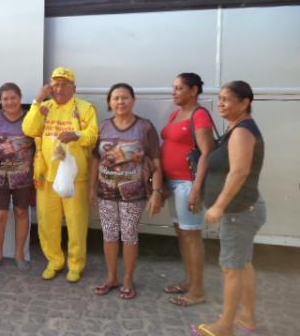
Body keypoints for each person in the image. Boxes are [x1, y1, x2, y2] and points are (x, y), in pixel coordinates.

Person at [192, 81, 266, 336]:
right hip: (244, 208)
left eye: (227, 99)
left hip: (238, 212)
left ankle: (226, 325)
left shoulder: (242, 132)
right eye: (220, 98)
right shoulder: (235, 128)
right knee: (243, 263)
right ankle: (247, 317)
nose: (221, 103)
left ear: (245, 102)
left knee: (231, 268)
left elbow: (239, 172)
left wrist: (219, 206)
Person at [22, 67, 98, 283]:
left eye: (64, 84)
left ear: (74, 87)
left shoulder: (85, 108)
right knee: (47, 223)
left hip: (76, 177)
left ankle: (76, 264)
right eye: (55, 84)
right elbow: (28, 129)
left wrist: (77, 135)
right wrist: (37, 100)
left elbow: (93, 136)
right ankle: (54, 261)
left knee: (76, 224)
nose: (59, 88)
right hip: (47, 176)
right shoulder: (44, 107)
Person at [89, 83, 163, 299]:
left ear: (133, 100)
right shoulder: (103, 127)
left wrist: (157, 192)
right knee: (109, 235)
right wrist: (91, 189)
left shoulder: (145, 127)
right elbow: (95, 159)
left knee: (129, 235)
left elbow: (156, 161)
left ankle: (128, 280)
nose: (120, 102)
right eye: (115, 98)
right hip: (106, 193)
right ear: (109, 103)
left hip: (134, 194)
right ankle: (112, 277)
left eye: (124, 97)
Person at [161, 73, 215, 306]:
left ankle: (198, 291)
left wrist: (196, 190)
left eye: (179, 88)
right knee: (182, 234)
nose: (174, 92)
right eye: (173, 88)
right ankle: (189, 281)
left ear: (194, 91)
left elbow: (206, 153)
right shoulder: (176, 114)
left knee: (192, 236)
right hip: (173, 184)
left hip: (187, 184)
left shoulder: (199, 115)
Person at [0, 83, 34, 272]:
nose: (9, 102)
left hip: (23, 177)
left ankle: (19, 254)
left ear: (20, 98)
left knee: (22, 213)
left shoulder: (30, 117)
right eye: (5, 99)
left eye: (13, 97)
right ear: (0, 101)